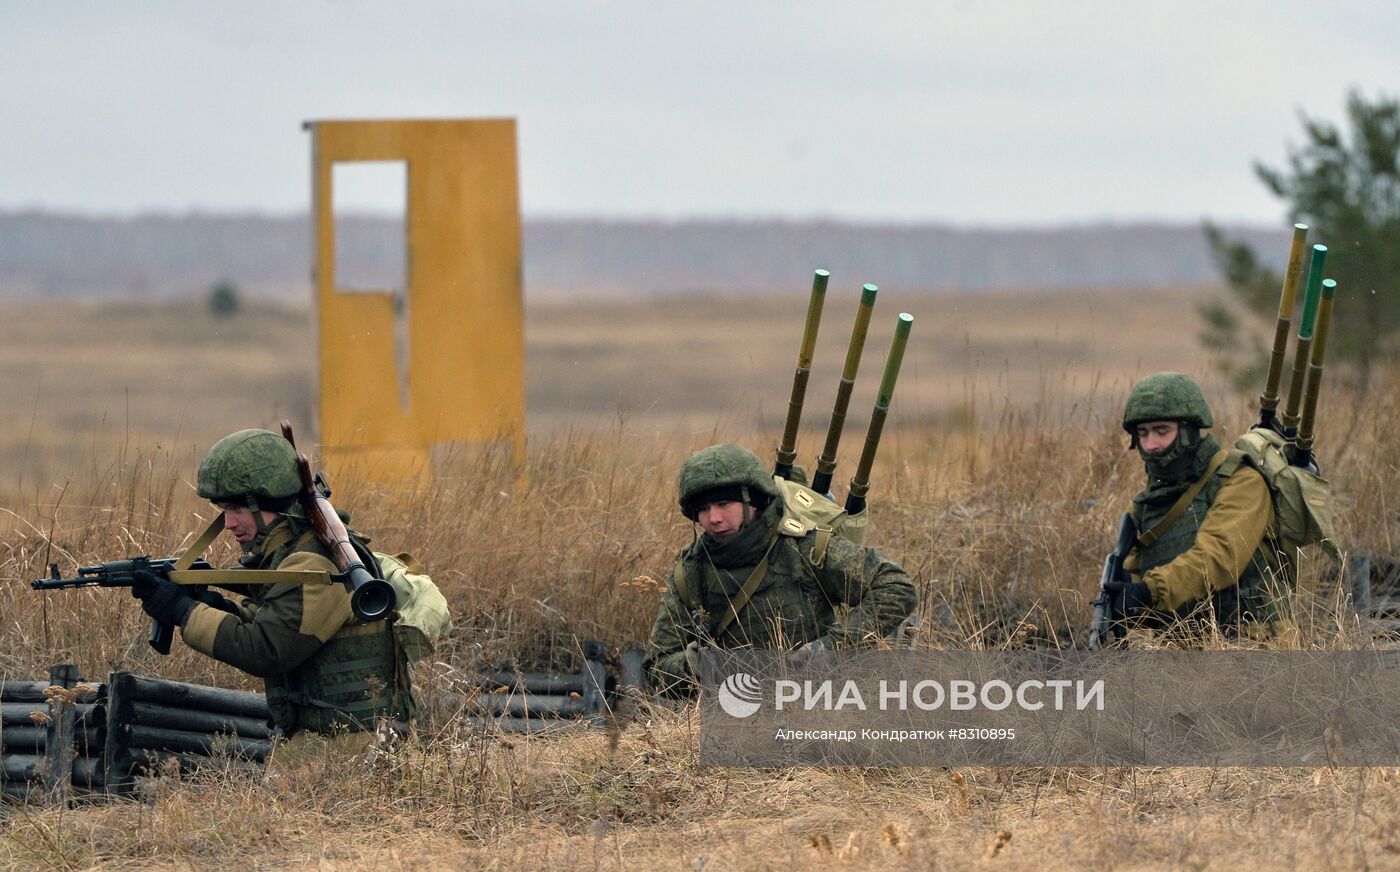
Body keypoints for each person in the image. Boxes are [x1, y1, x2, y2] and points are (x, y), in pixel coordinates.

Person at [129, 428, 413, 740]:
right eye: (224, 510)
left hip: (351, 748)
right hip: (332, 741)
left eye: (237, 509)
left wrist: (184, 611)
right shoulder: (292, 553)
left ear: (273, 505)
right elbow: (275, 623)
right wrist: (209, 605)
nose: (229, 523)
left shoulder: (315, 562)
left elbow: (265, 650)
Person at [648, 443, 917, 692]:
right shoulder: (691, 571)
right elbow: (656, 669)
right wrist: (706, 665)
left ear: (751, 501)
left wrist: (828, 650)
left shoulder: (802, 547)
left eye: (723, 504)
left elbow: (895, 587)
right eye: (704, 509)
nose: (714, 518)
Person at [1104, 373, 1287, 636]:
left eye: (1162, 431)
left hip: (1256, 642)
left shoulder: (1240, 481)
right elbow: (1139, 572)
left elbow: (1220, 556)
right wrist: (1127, 600)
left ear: (1189, 431)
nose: (1151, 445)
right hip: (1184, 649)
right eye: (1142, 433)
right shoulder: (1147, 504)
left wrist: (1148, 592)